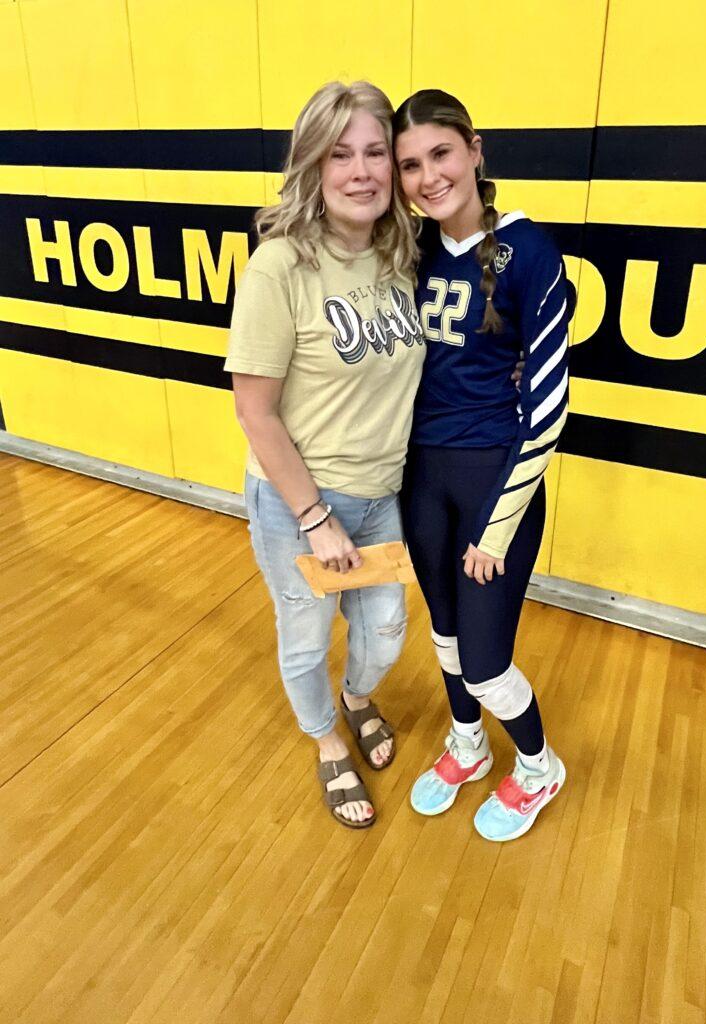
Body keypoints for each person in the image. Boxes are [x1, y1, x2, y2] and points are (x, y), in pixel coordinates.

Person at [224, 81, 425, 829]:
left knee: (383, 635)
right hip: (299, 504)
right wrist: (314, 518)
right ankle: (325, 742)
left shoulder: (399, 254)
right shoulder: (280, 265)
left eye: (376, 152)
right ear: (312, 165)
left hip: (380, 497)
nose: (361, 171)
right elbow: (254, 410)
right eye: (340, 154)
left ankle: (357, 697)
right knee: (306, 638)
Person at [393, 90, 572, 842]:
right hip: (419, 480)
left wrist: (496, 530)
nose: (427, 176)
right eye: (410, 164)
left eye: (440, 153)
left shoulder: (529, 252)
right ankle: (466, 745)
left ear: (474, 149)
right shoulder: (408, 247)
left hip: (495, 482)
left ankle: (536, 766)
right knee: (443, 636)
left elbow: (550, 405)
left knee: (488, 660)